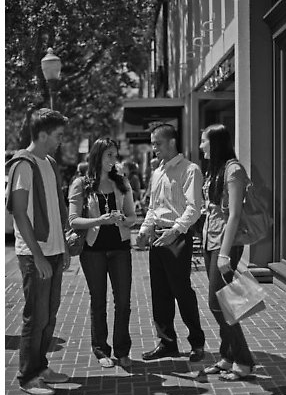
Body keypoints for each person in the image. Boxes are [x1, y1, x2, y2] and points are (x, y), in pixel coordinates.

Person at [5, 108, 71, 395]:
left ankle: (41, 367)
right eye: (57, 135)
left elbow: (57, 211)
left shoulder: (49, 163)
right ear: (42, 134)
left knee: (49, 316)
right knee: (36, 317)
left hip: (54, 251)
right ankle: (28, 377)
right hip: (35, 255)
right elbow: (19, 213)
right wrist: (39, 256)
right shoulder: (23, 165)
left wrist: (64, 248)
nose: (60, 141)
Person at [136, 124, 205, 362]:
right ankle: (167, 343)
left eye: (158, 143)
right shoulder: (157, 172)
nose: (154, 148)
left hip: (177, 237)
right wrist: (145, 230)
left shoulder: (190, 170)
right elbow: (153, 208)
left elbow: (194, 208)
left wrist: (174, 232)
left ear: (172, 142)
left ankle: (197, 343)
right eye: (153, 144)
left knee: (182, 292)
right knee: (160, 293)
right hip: (158, 237)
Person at [68, 139, 136, 369]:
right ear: (97, 156)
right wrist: (100, 220)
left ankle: (123, 350)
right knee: (98, 302)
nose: (113, 160)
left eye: (115, 155)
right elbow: (73, 219)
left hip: (120, 249)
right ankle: (100, 349)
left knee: (123, 302)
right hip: (93, 251)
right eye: (109, 155)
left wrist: (122, 220)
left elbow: (132, 216)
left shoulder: (121, 181)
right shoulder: (81, 184)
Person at [198, 123, 255, 381]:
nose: (201, 146)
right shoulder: (217, 169)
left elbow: (234, 215)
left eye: (204, 141)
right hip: (212, 241)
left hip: (226, 244)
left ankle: (243, 361)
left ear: (216, 142)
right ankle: (227, 356)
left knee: (220, 303)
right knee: (224, 301)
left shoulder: (233, 170)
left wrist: (223, 254)